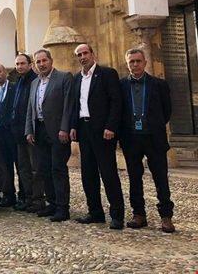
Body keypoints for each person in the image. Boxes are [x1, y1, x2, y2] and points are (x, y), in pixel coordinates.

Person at [119, 48, 175, 233]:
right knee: (134, 178)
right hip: (131, 138)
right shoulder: (121, 85)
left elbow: (166, 111)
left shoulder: (159, 84)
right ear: (127, 64)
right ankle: (139, 214)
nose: (135, 64)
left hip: (154, 138)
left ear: (144, 62)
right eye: (131, 62)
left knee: (160, 178)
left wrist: (154, 125)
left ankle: (166, 217)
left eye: (138, 61)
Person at [70, 44, 124, 230]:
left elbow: (116, 102)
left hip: (103, 131)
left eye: (85, 53)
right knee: (88, 174)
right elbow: (75, 105)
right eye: (79, 55)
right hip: (84, 129)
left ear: (93, 54)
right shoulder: (77, 78)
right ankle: (95, 212)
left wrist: (111, 126)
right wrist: (73, 127)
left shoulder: (107, 74)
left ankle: (117, 215)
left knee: (108, 173)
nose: (83, 57)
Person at [26, 49, 73, 222]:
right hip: (39, 130)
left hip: (57, 131)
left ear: (51, 61)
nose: (41, 64)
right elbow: (30, 109)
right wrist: (29, 130)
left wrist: (65, 128)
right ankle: (51, 204)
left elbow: (69, 105)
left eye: (44, 60)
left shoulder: (64, 77)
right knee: (44, 169)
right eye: (38, 62)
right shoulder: (34, 83)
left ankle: (62, 207)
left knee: (58, 169)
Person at [12, 54, 42, 212]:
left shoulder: (35, 80)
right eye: (17, 64)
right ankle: (28, 198)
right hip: (19, 133)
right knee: (23, 168)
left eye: (23, 63)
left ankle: (38, 200)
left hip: (30, 132)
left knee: (35, 168)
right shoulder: (19, 81)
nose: (19, 66)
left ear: (30, 64)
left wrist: (30, 129)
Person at [0, 63, 18, 208]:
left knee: (20, 165)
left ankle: (25, 195)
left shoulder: (14, 88)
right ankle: (9, 195)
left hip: (13, 133)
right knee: (5, 166)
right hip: (1, 135)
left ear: (5, 72)